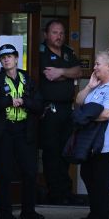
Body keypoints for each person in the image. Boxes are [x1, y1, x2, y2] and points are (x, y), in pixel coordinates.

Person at [0, 44, 45, 219]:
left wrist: (23, 101)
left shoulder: (27, 79)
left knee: (30, 172)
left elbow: (39, 105)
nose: (6, 59)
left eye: (9, 56)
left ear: (16, 58)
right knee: (4, 173)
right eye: (3, 57)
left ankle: (28, 210)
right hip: (5, 131)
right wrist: (7, 100)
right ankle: (5, 213)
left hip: (25, 130)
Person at [75, 47, 109, 219]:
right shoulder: (98, 85)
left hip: (105, 141)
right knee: (87, 174)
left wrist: (81, 118)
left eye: (98, 64)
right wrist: (89, 86)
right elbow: (79, 101)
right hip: (91, 138)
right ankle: (94, 213)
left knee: (99, 178)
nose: (94, 67)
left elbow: (105, 114)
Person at [39, 19, 83, 205]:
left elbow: (79, 72)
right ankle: (55, 193)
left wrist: (61, 72)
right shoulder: (40, 52)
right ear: (46, 34)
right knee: (52, 153)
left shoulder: (68, 52)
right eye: (55, 32)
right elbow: (49, 76)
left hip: (67, 109)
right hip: (50, 110)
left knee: (66, 151)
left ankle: (66, 191)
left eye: (61, 33)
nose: (59, 36)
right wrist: (65, 73)